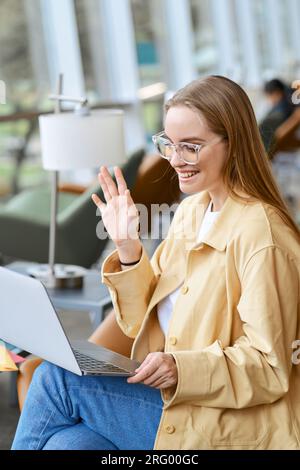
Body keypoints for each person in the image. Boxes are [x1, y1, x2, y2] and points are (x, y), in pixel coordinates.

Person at [12, 75, 300, 450]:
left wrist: (181, 367)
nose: (175, 160)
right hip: (176, 400)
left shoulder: (264, 239)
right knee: (69, 444)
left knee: (55, 380)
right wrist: (129, 248)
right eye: (169, 145)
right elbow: (139, 320)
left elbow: (269, 367)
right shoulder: (193, 212)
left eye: (191, 147)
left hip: (226, 418)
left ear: (235, 143)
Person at [259, 78, 295, 154]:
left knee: (263, 127)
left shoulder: (290, 96)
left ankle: (261, 154)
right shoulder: (285, 97)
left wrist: (282, 132)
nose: (270, 100)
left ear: (276, 93)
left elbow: (297, 116)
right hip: (280, 117)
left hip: (282, 117)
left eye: (270, 97)